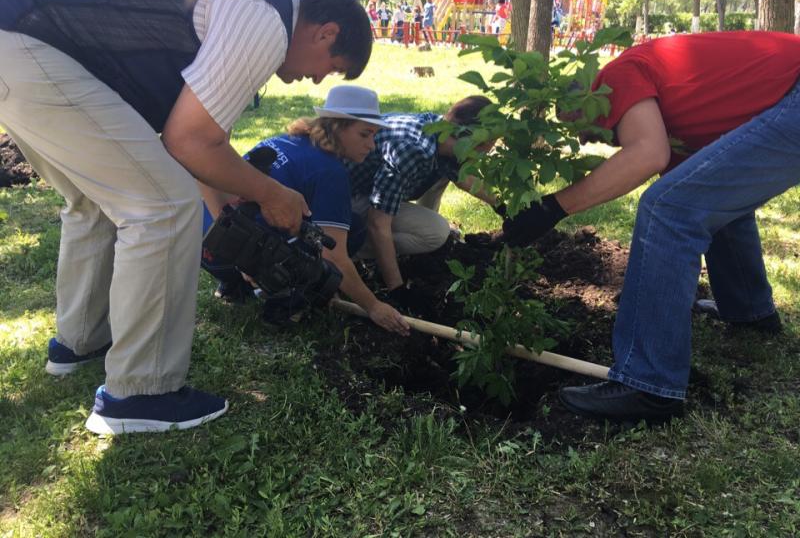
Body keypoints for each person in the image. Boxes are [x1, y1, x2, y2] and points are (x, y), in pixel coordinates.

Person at [0, 0, 372, 434]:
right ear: (326, 33)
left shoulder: (251, 0)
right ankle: (140, 393)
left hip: (20, 27)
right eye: (332, 67)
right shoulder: (264, 20)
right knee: (161, 204)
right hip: (24, 33)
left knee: (92, 200)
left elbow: (202, 142)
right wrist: (272, 193)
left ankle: (80, 342)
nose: (314, 80)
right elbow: (189, 143)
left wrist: (232, 198)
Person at [499, 31, 800, 423]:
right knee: (696, 198)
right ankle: (750, 312)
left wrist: (553, 207)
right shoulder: (667, 108)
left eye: (581, 125)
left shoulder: (619, 74)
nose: (586, 138)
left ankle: (649, 384)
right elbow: (679, 173)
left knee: (665, 211)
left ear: (591, 95)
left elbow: (648, 154)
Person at [201, 86, 410, 336]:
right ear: (337, 127)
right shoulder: (329, 172)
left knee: (345, 223)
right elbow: (335, 257)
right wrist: (374, 306)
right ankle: (286, 302)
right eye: (365, 134)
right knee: (352, 232)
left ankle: (235, 286)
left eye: (374, 136)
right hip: (237, 252)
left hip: (208, 242)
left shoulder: (291, 140)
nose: (372, 146)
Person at [347, 96, 499, 312]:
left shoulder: (439, 132)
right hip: (344, 200)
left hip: (368, 190)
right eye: (484, 146)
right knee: (435, 233)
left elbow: (464, 179)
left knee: (442, 175)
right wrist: (397, 289)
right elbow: (377, 222)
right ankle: (351, 251)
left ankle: (408, 246)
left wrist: (502, 205)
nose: (485, 154)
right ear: (466, 137)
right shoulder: (413, 151)